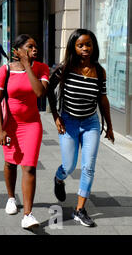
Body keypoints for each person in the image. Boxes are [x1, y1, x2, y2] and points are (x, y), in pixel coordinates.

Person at [47, 29, 114, 227]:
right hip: (69, 121)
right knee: (69, 165)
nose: (85, 48)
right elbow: (49, 90)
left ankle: (80, 209)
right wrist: (56, 117)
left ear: (94, 47)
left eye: (88, 45)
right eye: (80, 45)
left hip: (91, 123)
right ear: (73, 48)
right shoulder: (65, 68)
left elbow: (103, 99)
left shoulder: (99, 71)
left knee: (88, 167)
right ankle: (59, 179)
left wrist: (109, 126)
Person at [0, 34, 49, 229]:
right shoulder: (5, 70)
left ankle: (28, 214)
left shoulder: (42, 68)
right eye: (30, 47)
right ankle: (10, 197)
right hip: (11, 126)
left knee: (29, 166)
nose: (35, 50)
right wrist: (0, 130)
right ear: (17, 50)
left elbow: (40, 93)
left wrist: (27, 66)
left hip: (32, 124)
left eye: (36, 46)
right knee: (10, 163)